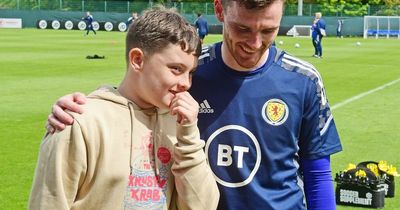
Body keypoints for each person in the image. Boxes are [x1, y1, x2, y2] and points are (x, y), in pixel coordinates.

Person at [46, 0, 343, 209]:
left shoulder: (303, 80)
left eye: (268, 31)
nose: (254, 43)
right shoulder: (191, 72)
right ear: (219, 11)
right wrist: (82, 106)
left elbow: (317, 174)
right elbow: (133, 98)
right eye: (242, 29)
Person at [29, 7, 219, 210]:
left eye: (190, 72)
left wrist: (188, 134)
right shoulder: (78, 122)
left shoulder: (178, 123)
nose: (186, 83)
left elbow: (204, 206)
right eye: (176, 69)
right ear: (137, 60)